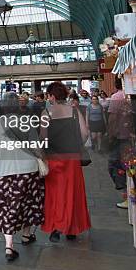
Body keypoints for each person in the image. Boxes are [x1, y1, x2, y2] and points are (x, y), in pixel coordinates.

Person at [0, 92, 45, 262]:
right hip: (28, 170)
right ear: (18, 105)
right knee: (28, 203)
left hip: (5, 171)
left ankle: (9, 246)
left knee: (7, 206)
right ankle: (26, 235)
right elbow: (36, 146)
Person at [40, 82, 91, 242]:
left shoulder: (46, 112)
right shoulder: (74, 111)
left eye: (48, 95)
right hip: (72, 158)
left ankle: (56, 227)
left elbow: (43, 138)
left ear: (52, 96)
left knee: (55, 194)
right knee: (73, 192)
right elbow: (85, 134)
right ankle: (71, 228)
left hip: (54, 158)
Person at [107, 77, 131, 196]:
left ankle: (125, 192)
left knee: (114, 164)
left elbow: (112, 118)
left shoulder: (116, 97)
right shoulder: (131, 94)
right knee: (128, 163)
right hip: (131, 135)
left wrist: (110, 135)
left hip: (119, 136)